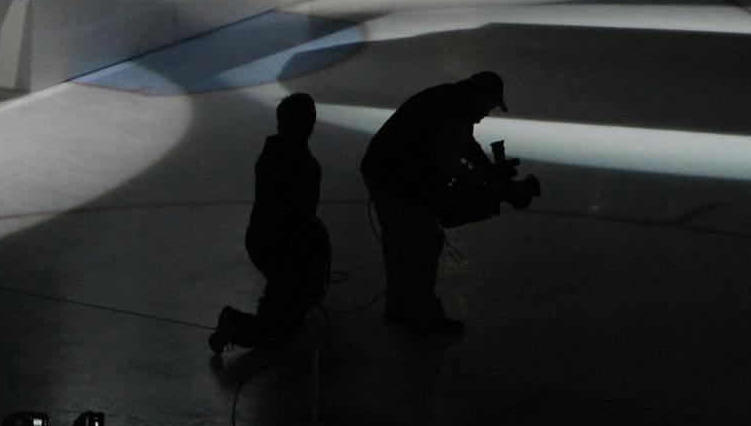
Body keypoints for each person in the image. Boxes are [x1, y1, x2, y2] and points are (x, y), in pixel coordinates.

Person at [359, 71, 526, 336]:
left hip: (380, 169)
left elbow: (465, 145)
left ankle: (399, 306)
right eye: (489, 106)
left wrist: (486, 170)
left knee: (398, 244)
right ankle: (424, 316)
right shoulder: (454, 115)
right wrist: (480, 179)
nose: (487, 114)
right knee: (424, 242)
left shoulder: (451, 99)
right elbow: (447, 163)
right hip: (394, 179)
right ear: (478, 98)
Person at [211, 94, 331, 355]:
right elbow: (299, 216)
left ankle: (270, 307)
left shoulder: (272, 154)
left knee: (285, 302)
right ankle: (236, 323)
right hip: (281, 245)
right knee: (282, 328)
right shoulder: (303, 165)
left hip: (265, 240)